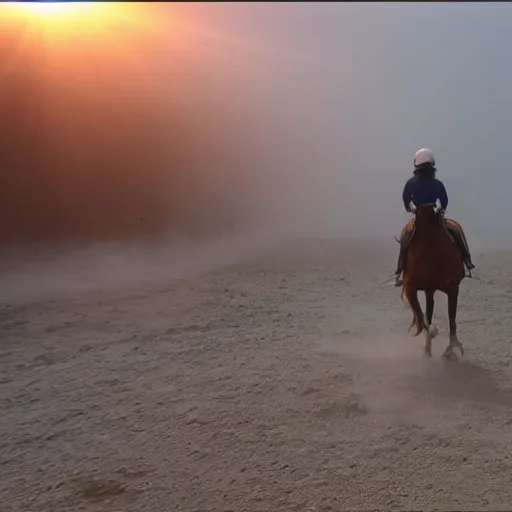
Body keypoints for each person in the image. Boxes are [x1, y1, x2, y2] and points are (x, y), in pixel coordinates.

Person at [393, 148, 475, 287]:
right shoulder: (437, 183)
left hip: (419, 217)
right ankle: (466, 261)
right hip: (435, 217)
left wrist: (411, 209)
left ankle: (400, 271)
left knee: (405, 237)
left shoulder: (411, 183)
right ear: (432, 165)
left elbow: (406, 199)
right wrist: (441, 210)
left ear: (416, 165)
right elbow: (444, 200)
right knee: (455, 232)